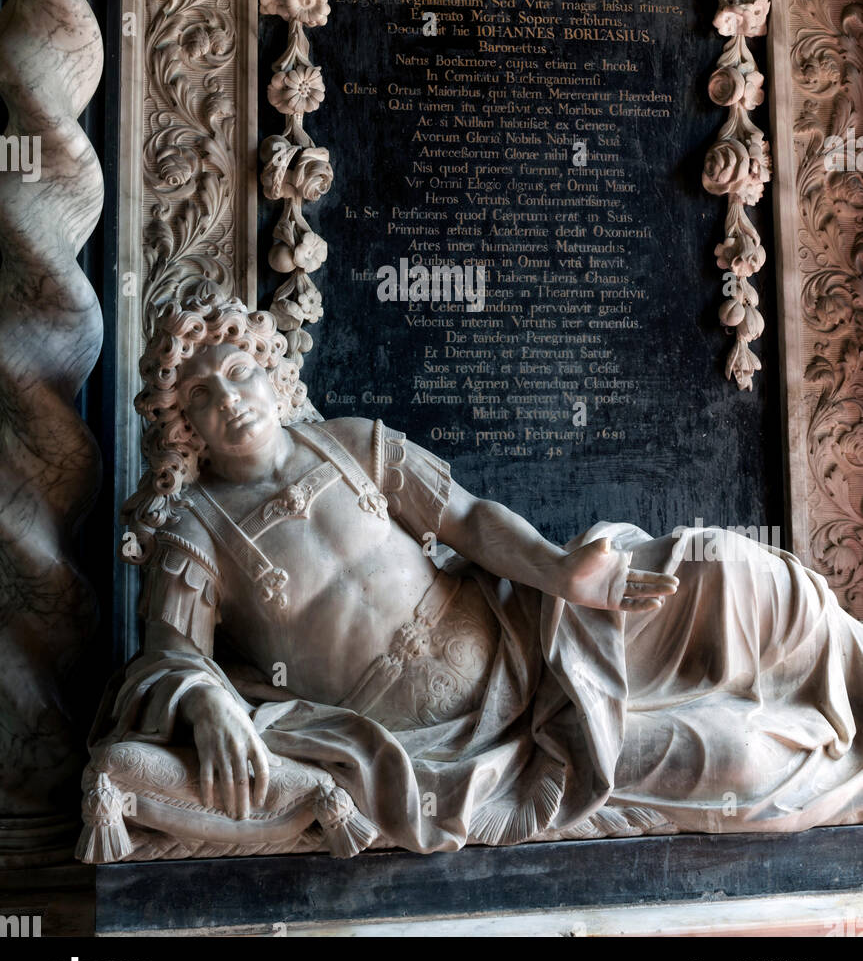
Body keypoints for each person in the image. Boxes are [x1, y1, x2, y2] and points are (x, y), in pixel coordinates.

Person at [86, 288, 863, 858]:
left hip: (523, 631)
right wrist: (206, 702)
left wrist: (564, 574)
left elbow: (466, 519)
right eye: (201, 393)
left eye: (238, 373)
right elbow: (167, 656)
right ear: (182, 419)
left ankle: (852, 670)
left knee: (723, 566)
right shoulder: (193, 530)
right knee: (731, 760)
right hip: (434, 750)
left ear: (269, 372)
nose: (229, 400)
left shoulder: (351, 443)